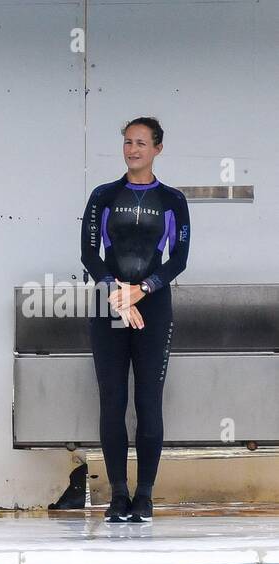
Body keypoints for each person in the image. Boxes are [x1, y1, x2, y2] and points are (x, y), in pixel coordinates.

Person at [80, 117, 190, 523]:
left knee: (147, 402)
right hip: (108, 306)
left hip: (153, 308)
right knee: (112, 401)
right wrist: (116, 291)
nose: (133, 150)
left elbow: (179, 258)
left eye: (141, 143)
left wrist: (141, 291)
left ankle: (144, 495)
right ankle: (118, 495)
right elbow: (89, 253)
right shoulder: (104, 195)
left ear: (157, 148)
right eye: (127, 142)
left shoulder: (173, 200)